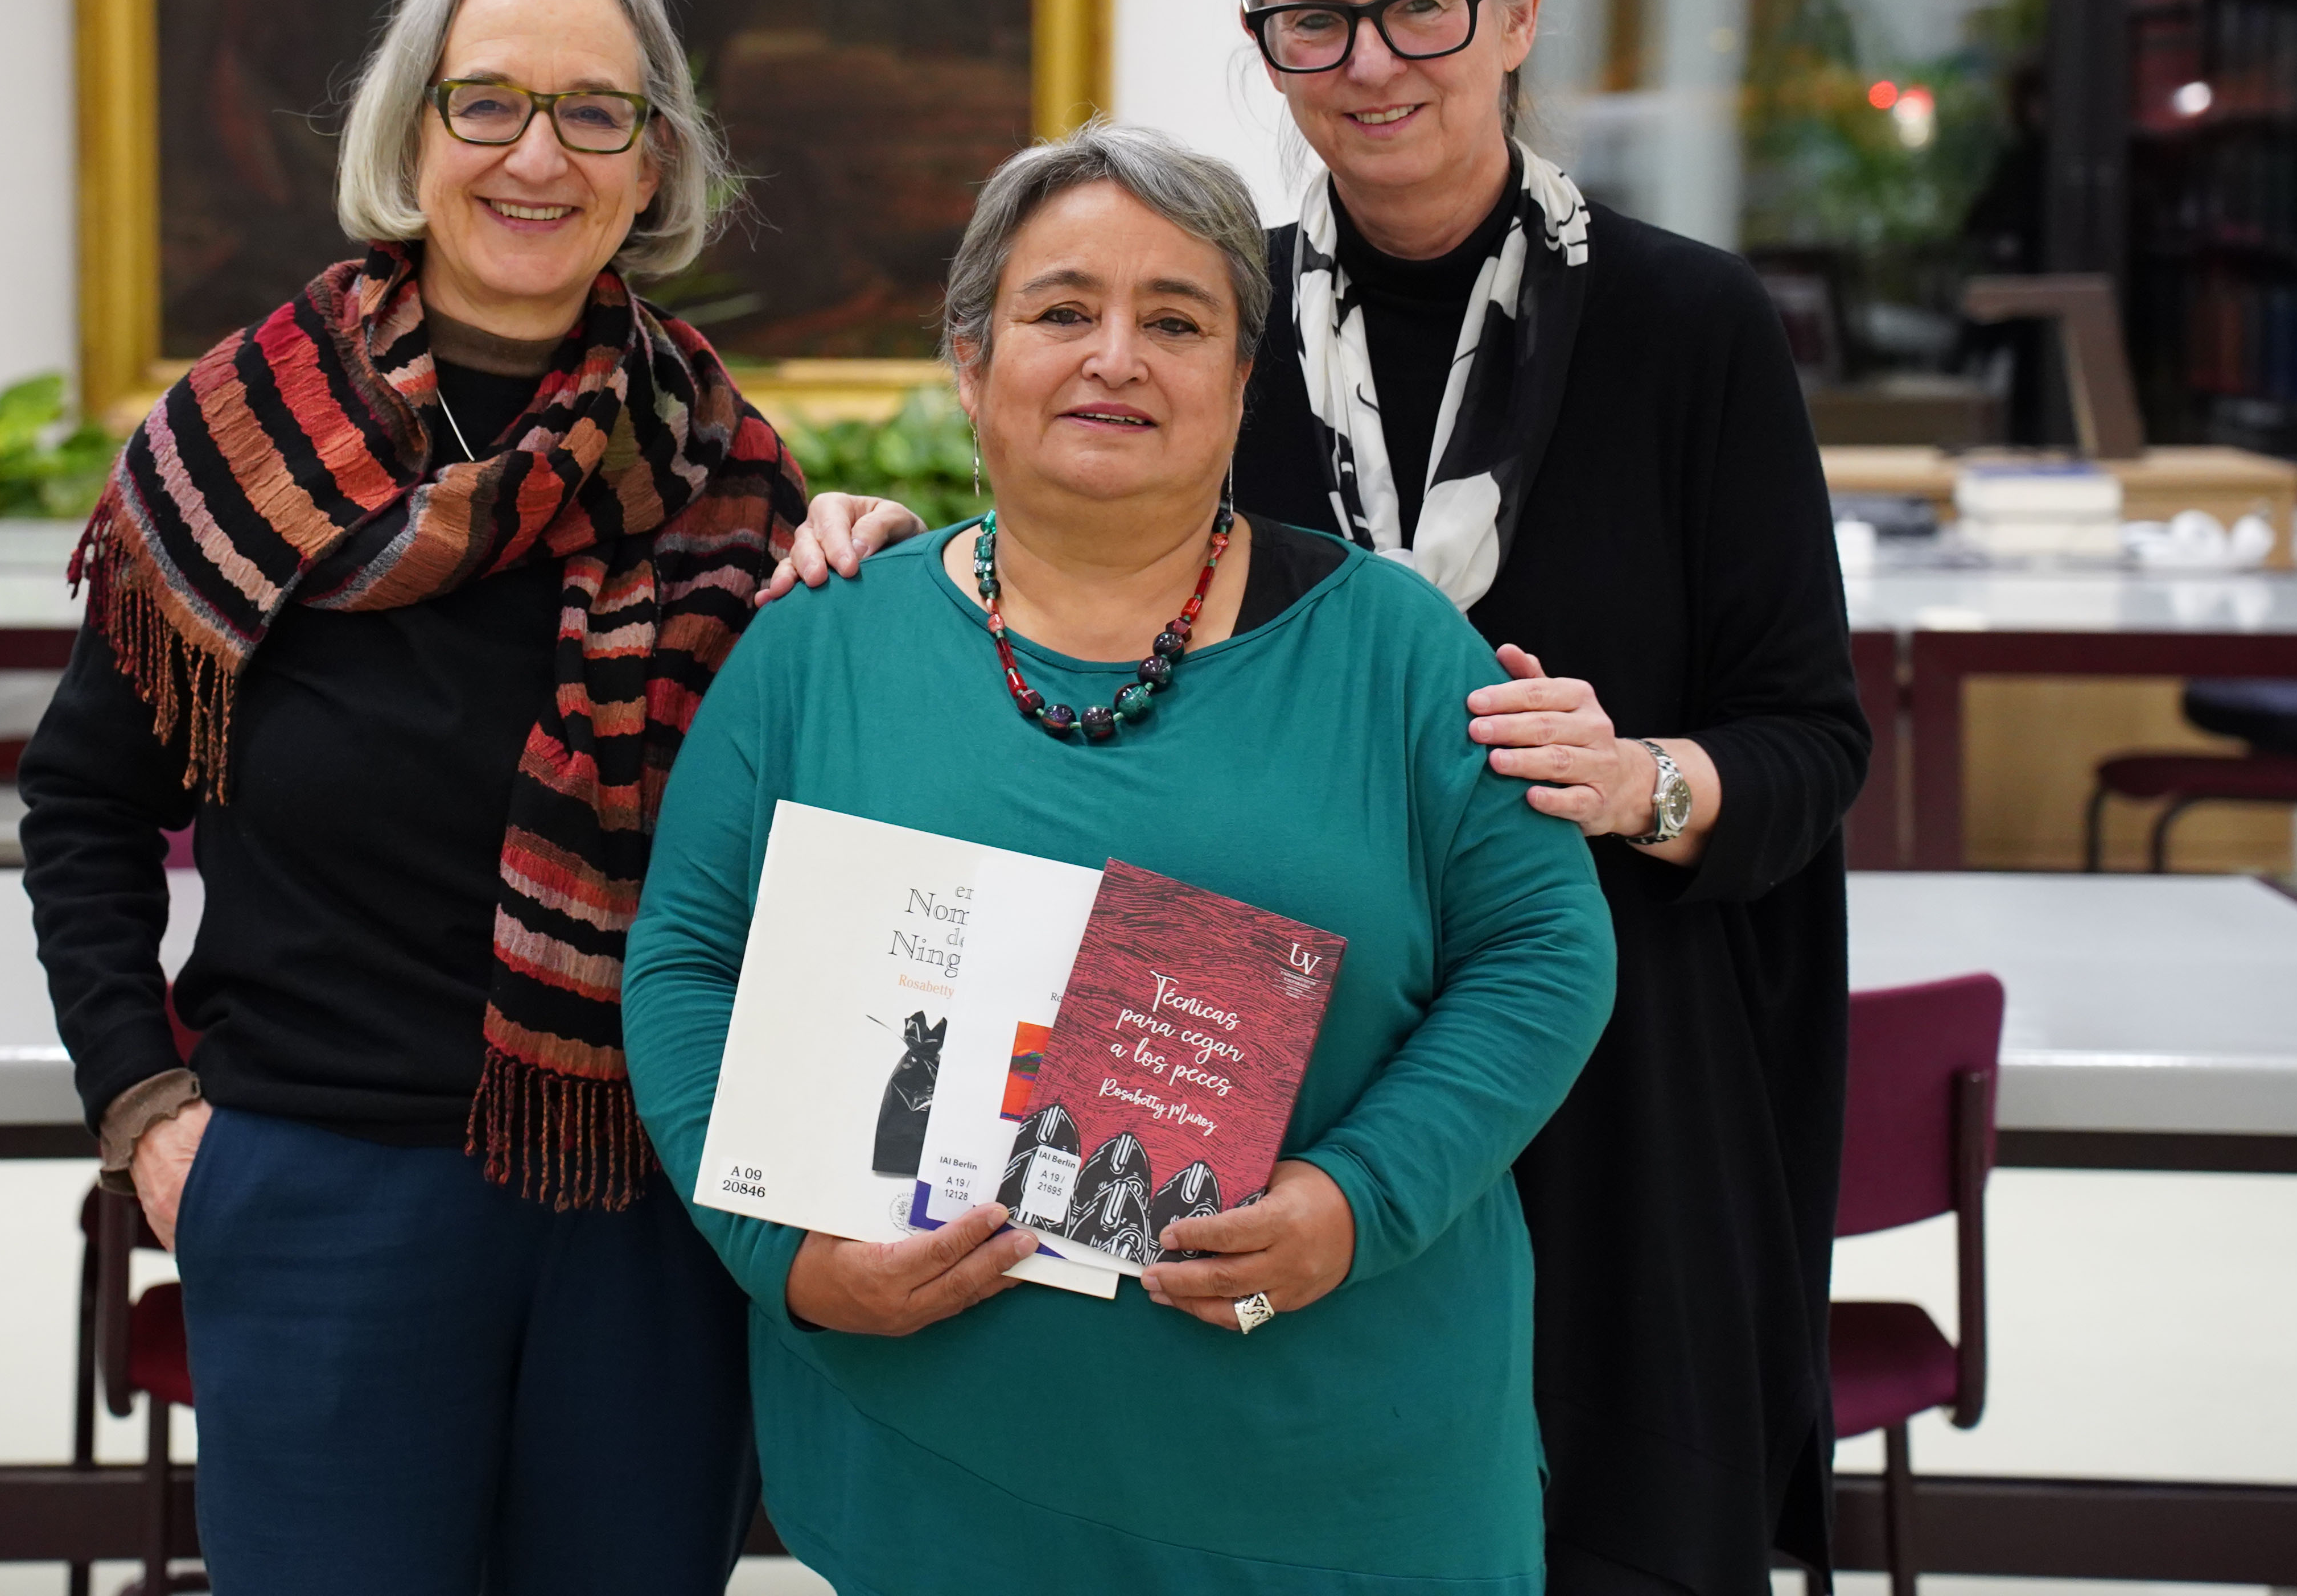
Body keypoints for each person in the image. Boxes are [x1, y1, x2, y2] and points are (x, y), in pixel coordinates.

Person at [771, 0, 1872, 1596]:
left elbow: (1812, 741)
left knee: (1610, 1531)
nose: (1370, 60)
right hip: (1283, 1082)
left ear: (1516, 14)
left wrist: (1641, 780)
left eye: (1420, 4)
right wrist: (896, 544)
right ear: (1264, 44)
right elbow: (1069, 550)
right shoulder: (1219, 326)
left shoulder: (1689, 326)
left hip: (1611, 1081)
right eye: (1314, 19)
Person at [625, 125, 1617, 1593]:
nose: (1116, 356)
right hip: (938, 1494)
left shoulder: (1399, 650)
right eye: (1062, 309)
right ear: (972, 363)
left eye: (1176, 320)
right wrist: (791, 1258)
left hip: (1341, 1489)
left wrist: (1359, 1200)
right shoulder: (817, 647)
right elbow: (687, 967)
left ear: (1243, 379)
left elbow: (1545, 954)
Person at [17, 0, 804, 1594]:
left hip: (643, 1214)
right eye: (487, 102)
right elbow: (83, 801)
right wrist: (144, 1107)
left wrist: (872, 585)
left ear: (652, 162)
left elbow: (800, 848)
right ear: (412, 131)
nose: (539, 154)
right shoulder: (239, 438)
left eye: (594, 111)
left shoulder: (732, 473)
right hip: (321, 1196)